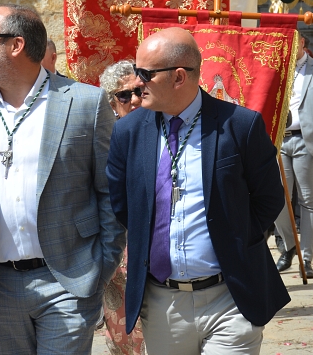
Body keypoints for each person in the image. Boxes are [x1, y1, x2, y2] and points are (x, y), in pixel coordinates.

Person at [0, 5, 124, 354]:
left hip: (67, 280)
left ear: (16, 45)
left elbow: (110, 194)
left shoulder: (85, 103)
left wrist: (100, 268)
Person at [106, 27, 290, 354]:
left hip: (230, 297)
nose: (136, 83)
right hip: (163, 303)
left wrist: (235, 239)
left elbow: (269, 198)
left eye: (145, 73)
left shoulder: (240, 125)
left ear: (179, 77)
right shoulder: (127, 132)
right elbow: (122, 206)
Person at [274, 32, 313, 279]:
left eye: (294, 41)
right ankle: (290, 246)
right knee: (277, 198)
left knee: (309, 199)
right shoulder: (275, 68)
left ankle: (306, 258)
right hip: (280, 140)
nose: (290, 46)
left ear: (302, 43)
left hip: (308, 138)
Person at [98, 61, 144, 355]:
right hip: (118, 242)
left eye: (139, 91)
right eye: (125, 95)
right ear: (113, 102)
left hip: (155, 241)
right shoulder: (103, 137)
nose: (135, 100)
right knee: (123, 330)